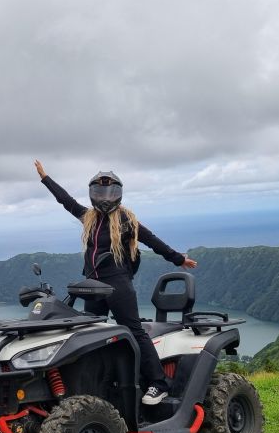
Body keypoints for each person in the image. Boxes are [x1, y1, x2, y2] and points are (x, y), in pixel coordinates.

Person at [34, 159, 197, 405]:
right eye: (99, 191)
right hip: (93, 286)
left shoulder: (126, 220)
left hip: (117, 283)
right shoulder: (88, 217)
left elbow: (152, 241)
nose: (105, 196)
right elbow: (66, 201)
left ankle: (158, 383)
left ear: (119, 193)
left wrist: (178, 259)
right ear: (92, 194)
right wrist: (45, 179)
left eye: (110, 191)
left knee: (133, 330)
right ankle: (98, 385)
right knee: (90, 333)